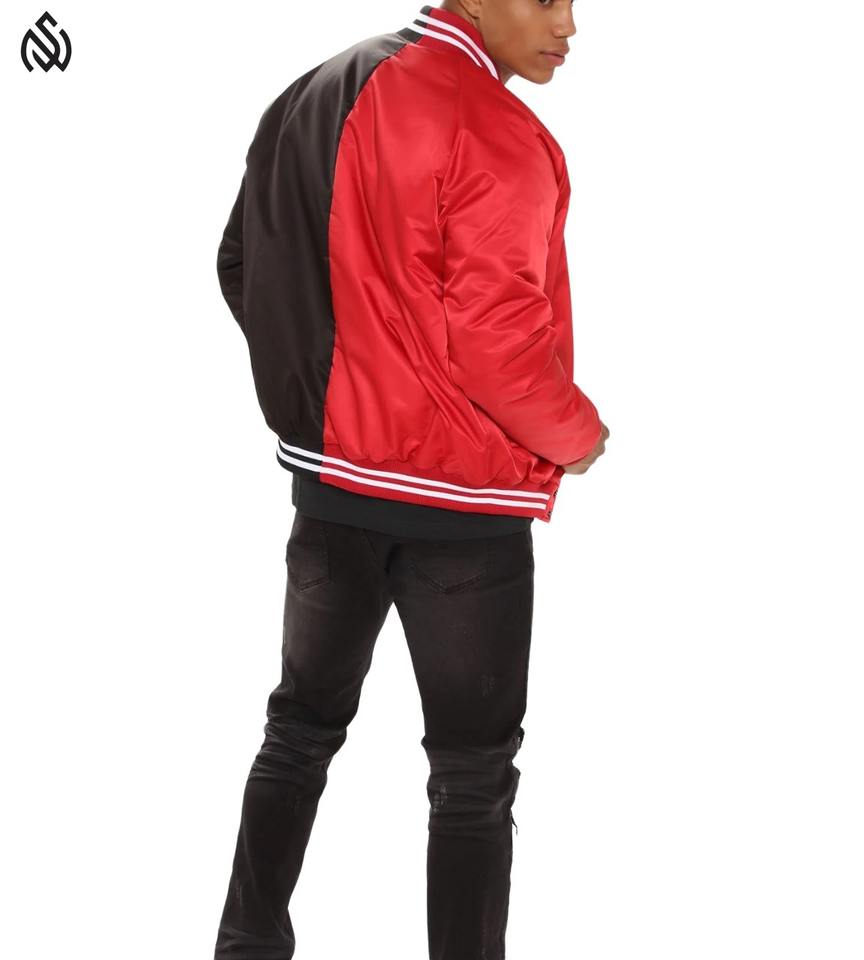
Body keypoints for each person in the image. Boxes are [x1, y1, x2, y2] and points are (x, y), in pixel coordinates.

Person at [213, 2, 609, 957]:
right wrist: (577, 436)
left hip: (330, 497)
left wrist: (327, 399)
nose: (571, 23)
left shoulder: (312, 92)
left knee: (298, 731)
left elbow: (241, 264)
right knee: (472, 778)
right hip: (461, 522)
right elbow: (496, 344)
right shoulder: (501, 132)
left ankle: (244, 947)